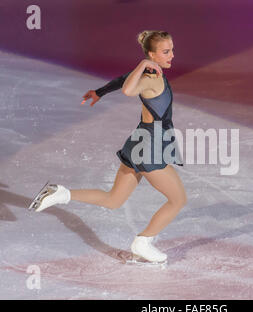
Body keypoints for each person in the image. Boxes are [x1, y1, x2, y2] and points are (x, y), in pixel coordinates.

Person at [28, 31, 187, 264]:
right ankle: (143, 242)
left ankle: (60, 193)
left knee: (113, 199)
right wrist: (143, 63)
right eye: (166, 51)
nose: (172, 55)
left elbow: (125, 79)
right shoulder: (151, 76)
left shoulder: (150, 74)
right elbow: (128, 89)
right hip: (150, 145)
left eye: (172, 49)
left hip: (139, 141)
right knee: (178, 200)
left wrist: (100, 92)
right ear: (152, 54)